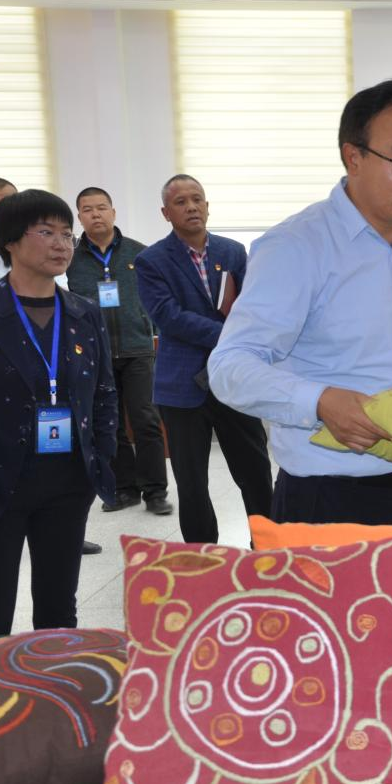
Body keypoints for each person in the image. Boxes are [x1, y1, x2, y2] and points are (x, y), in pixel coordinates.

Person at [208, 80, 392, 528]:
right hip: (330, 498)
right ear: (353, 157)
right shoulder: (297, 246)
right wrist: (319, 402)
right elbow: (230, 366)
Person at [0, 190, 119, 634]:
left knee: (59, 609)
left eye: (66, 234)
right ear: (11, 241)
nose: (61, 244)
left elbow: (104, 392)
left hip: (69, 480)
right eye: (46, 232)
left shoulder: (84, 313)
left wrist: (101, 456)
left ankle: (54, 676)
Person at [135, 174, 273, 543]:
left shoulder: (233, 252)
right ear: (166, 213)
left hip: (233, 381)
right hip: (182, 387)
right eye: (180, 202)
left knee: (256, 472)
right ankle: (202, 559)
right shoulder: (150, 261)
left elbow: (251, 304)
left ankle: (268, 550)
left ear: (208, 206)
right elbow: (167, 317)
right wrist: (229, 335)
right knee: (192, 482)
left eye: (197, 199)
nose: (191, 207)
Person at [67, 187, 172, 516]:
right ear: (80, 217)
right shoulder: (71, 258)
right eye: (88, 209)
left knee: (146, 420)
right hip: (95, 353)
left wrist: (152, 331)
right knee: (109, 424)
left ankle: (155, 491)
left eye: (101, 207)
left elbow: (158, 297)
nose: (95, 214)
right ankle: (124, 489)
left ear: (113, 212)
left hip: (137, 349)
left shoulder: (139, 253)